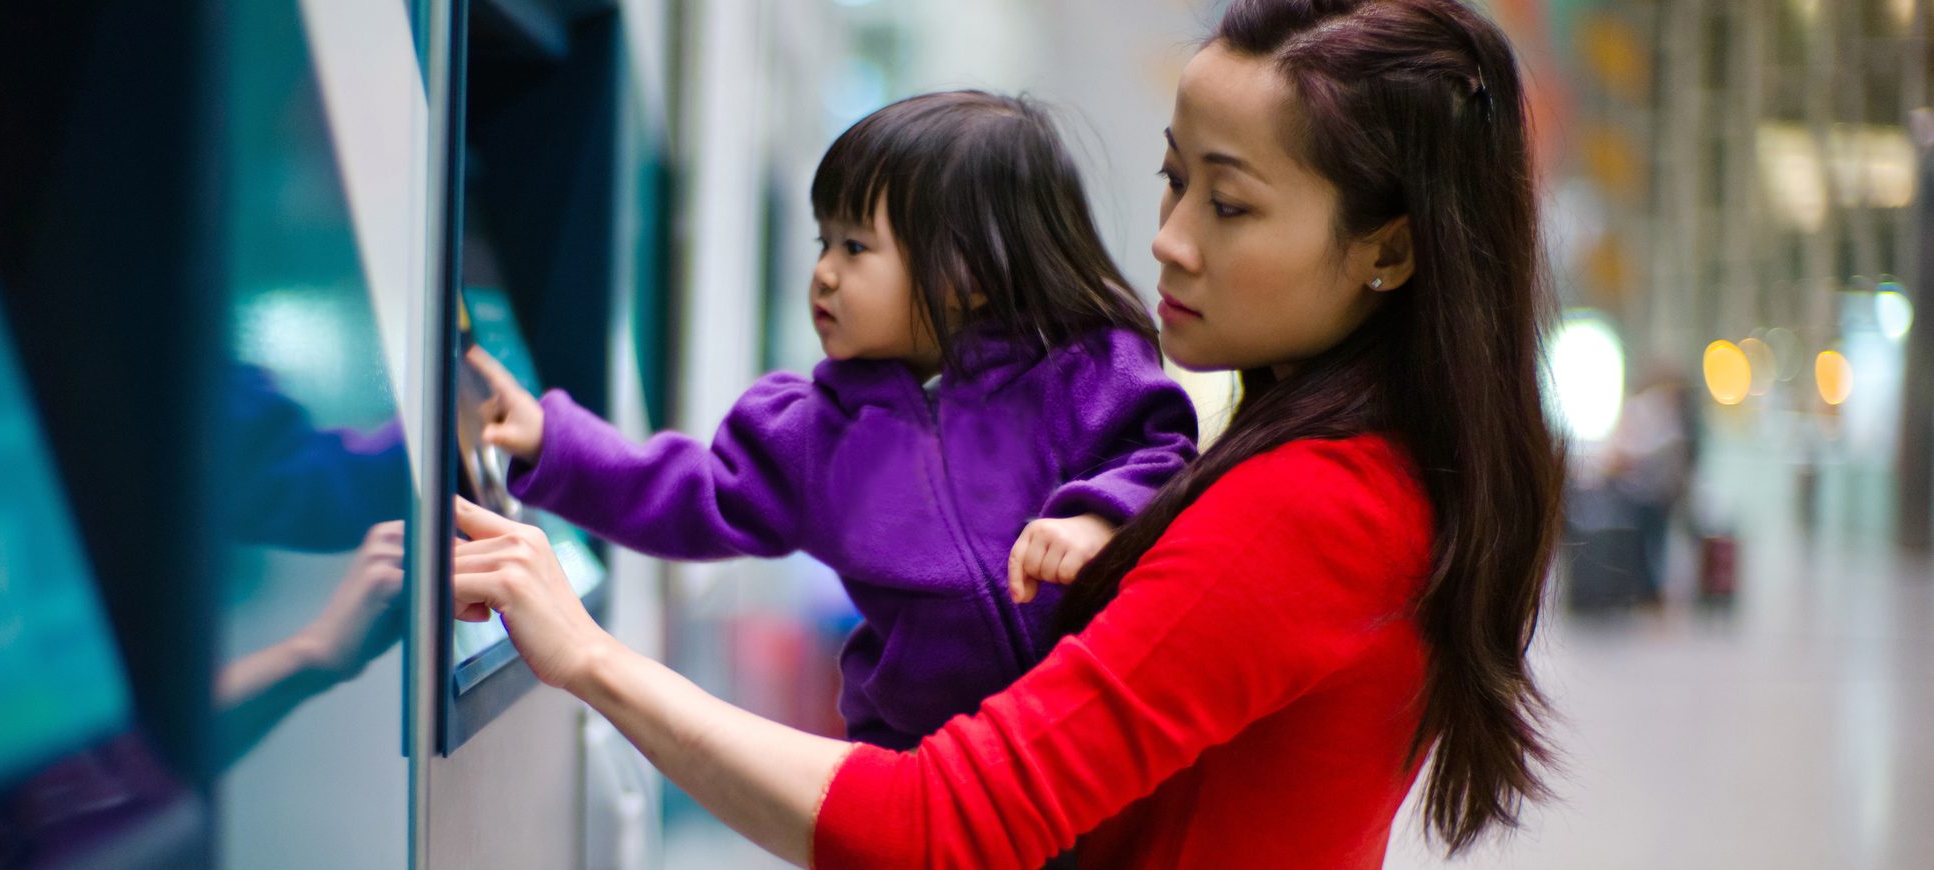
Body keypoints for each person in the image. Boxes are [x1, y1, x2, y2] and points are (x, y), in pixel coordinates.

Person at [452, 0, 1563, 866]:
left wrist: (591, 657)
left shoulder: (1310, 506)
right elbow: (706, 491)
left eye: (1227, 205)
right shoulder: (1348, 469)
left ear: (1388, 250)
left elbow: (942, 829)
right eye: (1173, 181)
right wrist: (555, 446)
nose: (1167, 241)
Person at [466, 90, 1197, 749]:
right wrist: (553, 442)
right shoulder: (817, 433)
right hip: (918, 764)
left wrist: (1099, 520)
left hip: (1081, 748)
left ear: (970, 273)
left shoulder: (1081, 372)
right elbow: (695, 495)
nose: (823, 271)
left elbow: (1161, 458)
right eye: (823, 241)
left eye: (854, 247)